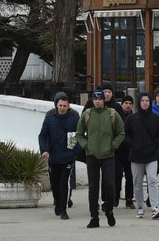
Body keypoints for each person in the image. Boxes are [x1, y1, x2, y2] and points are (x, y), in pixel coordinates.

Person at [76, 89, 125, 229]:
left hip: (108, 155)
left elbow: (121, 133)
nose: (97, 101)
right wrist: (87, 146)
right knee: (93, 187)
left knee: (110, 185)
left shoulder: (112, 114)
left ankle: (108, 209)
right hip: (91, 156)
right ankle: (94, 217)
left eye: (100, 99)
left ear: (104, 100)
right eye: (95, 99)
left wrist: (113, 146)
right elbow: (79, 134)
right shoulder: (87, 115)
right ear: (92, 100)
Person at [38, 92, 81, 220]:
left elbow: (79, 136)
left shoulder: (74, 119)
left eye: (65, 106)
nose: (62, 108)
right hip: (53, 156)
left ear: (68, 106)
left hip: (68, 157)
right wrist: (44, 150)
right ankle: (57, 201)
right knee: (54, 183)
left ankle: (63, 209)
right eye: (60, 105)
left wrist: (74, 152)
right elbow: (42, 135)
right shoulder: (50, 118)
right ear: (56, 105)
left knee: (64, 183)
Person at [124, 91, 159, 220]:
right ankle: (140, 207)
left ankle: (155, 207)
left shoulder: (156, 119)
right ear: (139, 102)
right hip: (136, 156)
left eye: (147, 100)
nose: (145, 103)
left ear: (150, 102)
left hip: (151, 155)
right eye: (142, 100)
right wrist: (133, 144)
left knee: (152, 180)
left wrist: (155, 145)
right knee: (137, 183)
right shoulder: (131, 119)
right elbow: (125, 135)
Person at [116, 95, 135, 209]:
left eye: (130, 103)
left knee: (130, 176)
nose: (128, 105)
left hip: (130, 151)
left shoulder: (134, 118)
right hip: (118, 150)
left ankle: (129, 199)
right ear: (122, 104)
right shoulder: (117, 117)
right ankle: (116, 196)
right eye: (126, 103)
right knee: (117, 175)